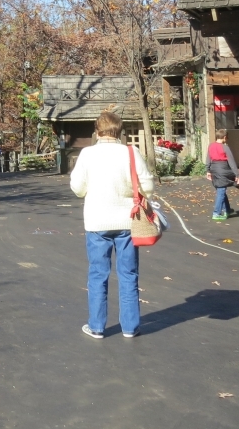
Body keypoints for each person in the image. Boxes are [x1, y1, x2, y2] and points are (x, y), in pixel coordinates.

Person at [69, 110, 154, 340]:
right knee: (129, 274)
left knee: (98, 274)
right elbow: (148, 186)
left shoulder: (87, 154)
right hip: (128, 221)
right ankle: (130, 326)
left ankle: (96, 326)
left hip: (97, 222)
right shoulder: (131, 152)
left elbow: (77, 188)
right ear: (120, 131)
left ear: (97, 131)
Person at [205, 128, 239, 221]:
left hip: (214, 168)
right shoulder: (225, 147)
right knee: (221, 191)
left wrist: (208, 170)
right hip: (223, 169)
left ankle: (227, 209)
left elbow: (208, 159)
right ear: (224, 137)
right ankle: (216, 213)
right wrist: (237, 175)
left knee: (221, 189)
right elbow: (231, 161)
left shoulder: (211, 146)